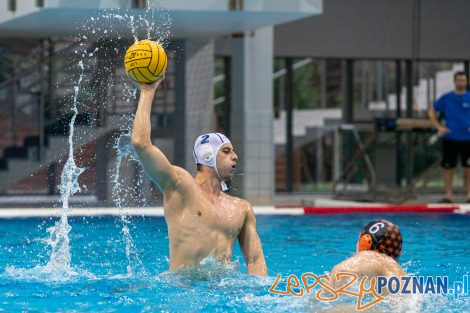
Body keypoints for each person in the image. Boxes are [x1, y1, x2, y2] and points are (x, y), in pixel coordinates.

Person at [131, 77, 268, 276]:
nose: (235, 156)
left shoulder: (241, 208)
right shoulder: (180, 185)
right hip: (182, 290)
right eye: (227, 151)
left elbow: (255, 261)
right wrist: (147, 91)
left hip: (222, 295)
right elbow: (140, 143)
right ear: (207, 155)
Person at [329, 220, 406, 292]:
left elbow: (339, 272)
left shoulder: (361, 260)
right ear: (399, 252)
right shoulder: (401, 274)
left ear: (364, 241)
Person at [428, 71, 470, 203]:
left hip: (467, 139)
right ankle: (448, 194)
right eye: (458, 80)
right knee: (448, 167)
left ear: (466, 82)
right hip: (450, 138)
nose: (461, 83)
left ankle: (469, 194)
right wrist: (438, 126)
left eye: (463, 80)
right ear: (454, 81)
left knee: (468, 167)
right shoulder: (447, 98)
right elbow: (432, 110)